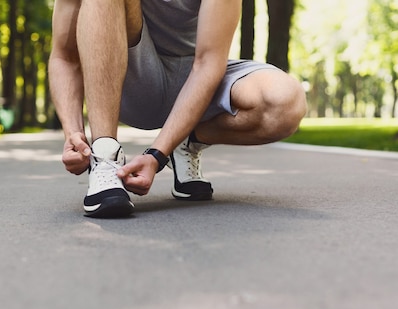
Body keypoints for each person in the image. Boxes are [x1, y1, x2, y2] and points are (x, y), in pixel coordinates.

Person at [49, 0, 307, 218]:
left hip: (199, 74)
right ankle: (104, 157)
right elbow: (64, 55)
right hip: (133, 75)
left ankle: (187, 142)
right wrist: (74, 134)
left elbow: (208, 64)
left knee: (286, 102)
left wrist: (157, 154)